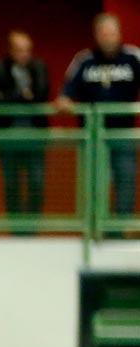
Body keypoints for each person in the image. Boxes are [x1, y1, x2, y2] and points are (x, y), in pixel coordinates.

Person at [57, 14, 140, 220]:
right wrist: (64, 100)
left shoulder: (133, 57)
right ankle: (95, 231)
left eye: (112, 33)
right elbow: (66, 92)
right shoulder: (84, 60)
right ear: (96, 35)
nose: (108, 38)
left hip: (123, 136)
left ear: (119, 34)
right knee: (94, 185)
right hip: (92, 137)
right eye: (103, 33)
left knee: (126, 181)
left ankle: (120, 230)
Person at [0, 30, 51, 226]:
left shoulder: (38, 67)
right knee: (12, 183)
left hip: (35, 135)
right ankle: (15, 225)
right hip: (7, 134)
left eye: (27, 50)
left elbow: (41, 94)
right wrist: (19, 94)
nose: (24, 54)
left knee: (36, 181)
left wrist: (14, 96)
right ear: (10, 50)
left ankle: (32, 225)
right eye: (20, 50)